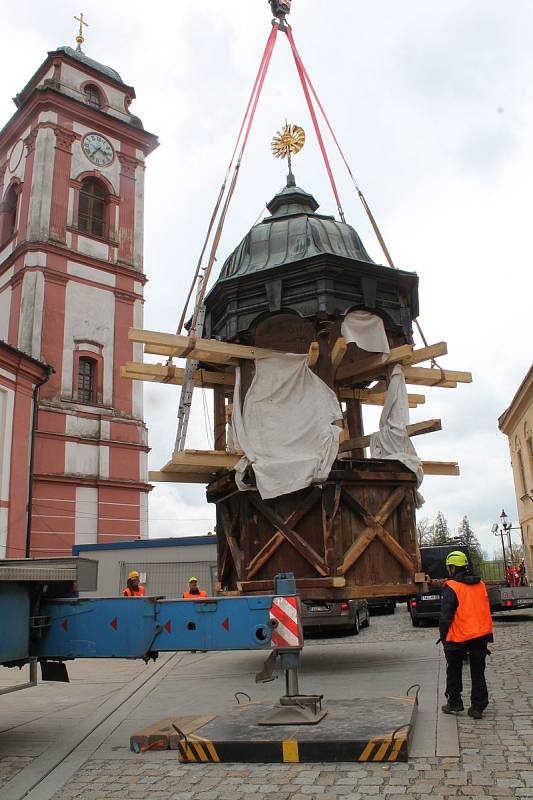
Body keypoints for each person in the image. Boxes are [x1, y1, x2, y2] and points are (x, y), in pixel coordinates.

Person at [439, 551, 493, 720]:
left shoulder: (452, 586)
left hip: (459, 636)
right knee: (478, 672)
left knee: (454, 669)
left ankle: (454, 702)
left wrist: (443, 636)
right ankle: (478, 707)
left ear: (452, 567)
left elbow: (446, 615)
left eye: (449, 567)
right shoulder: (481, 584)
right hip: (481, 634)